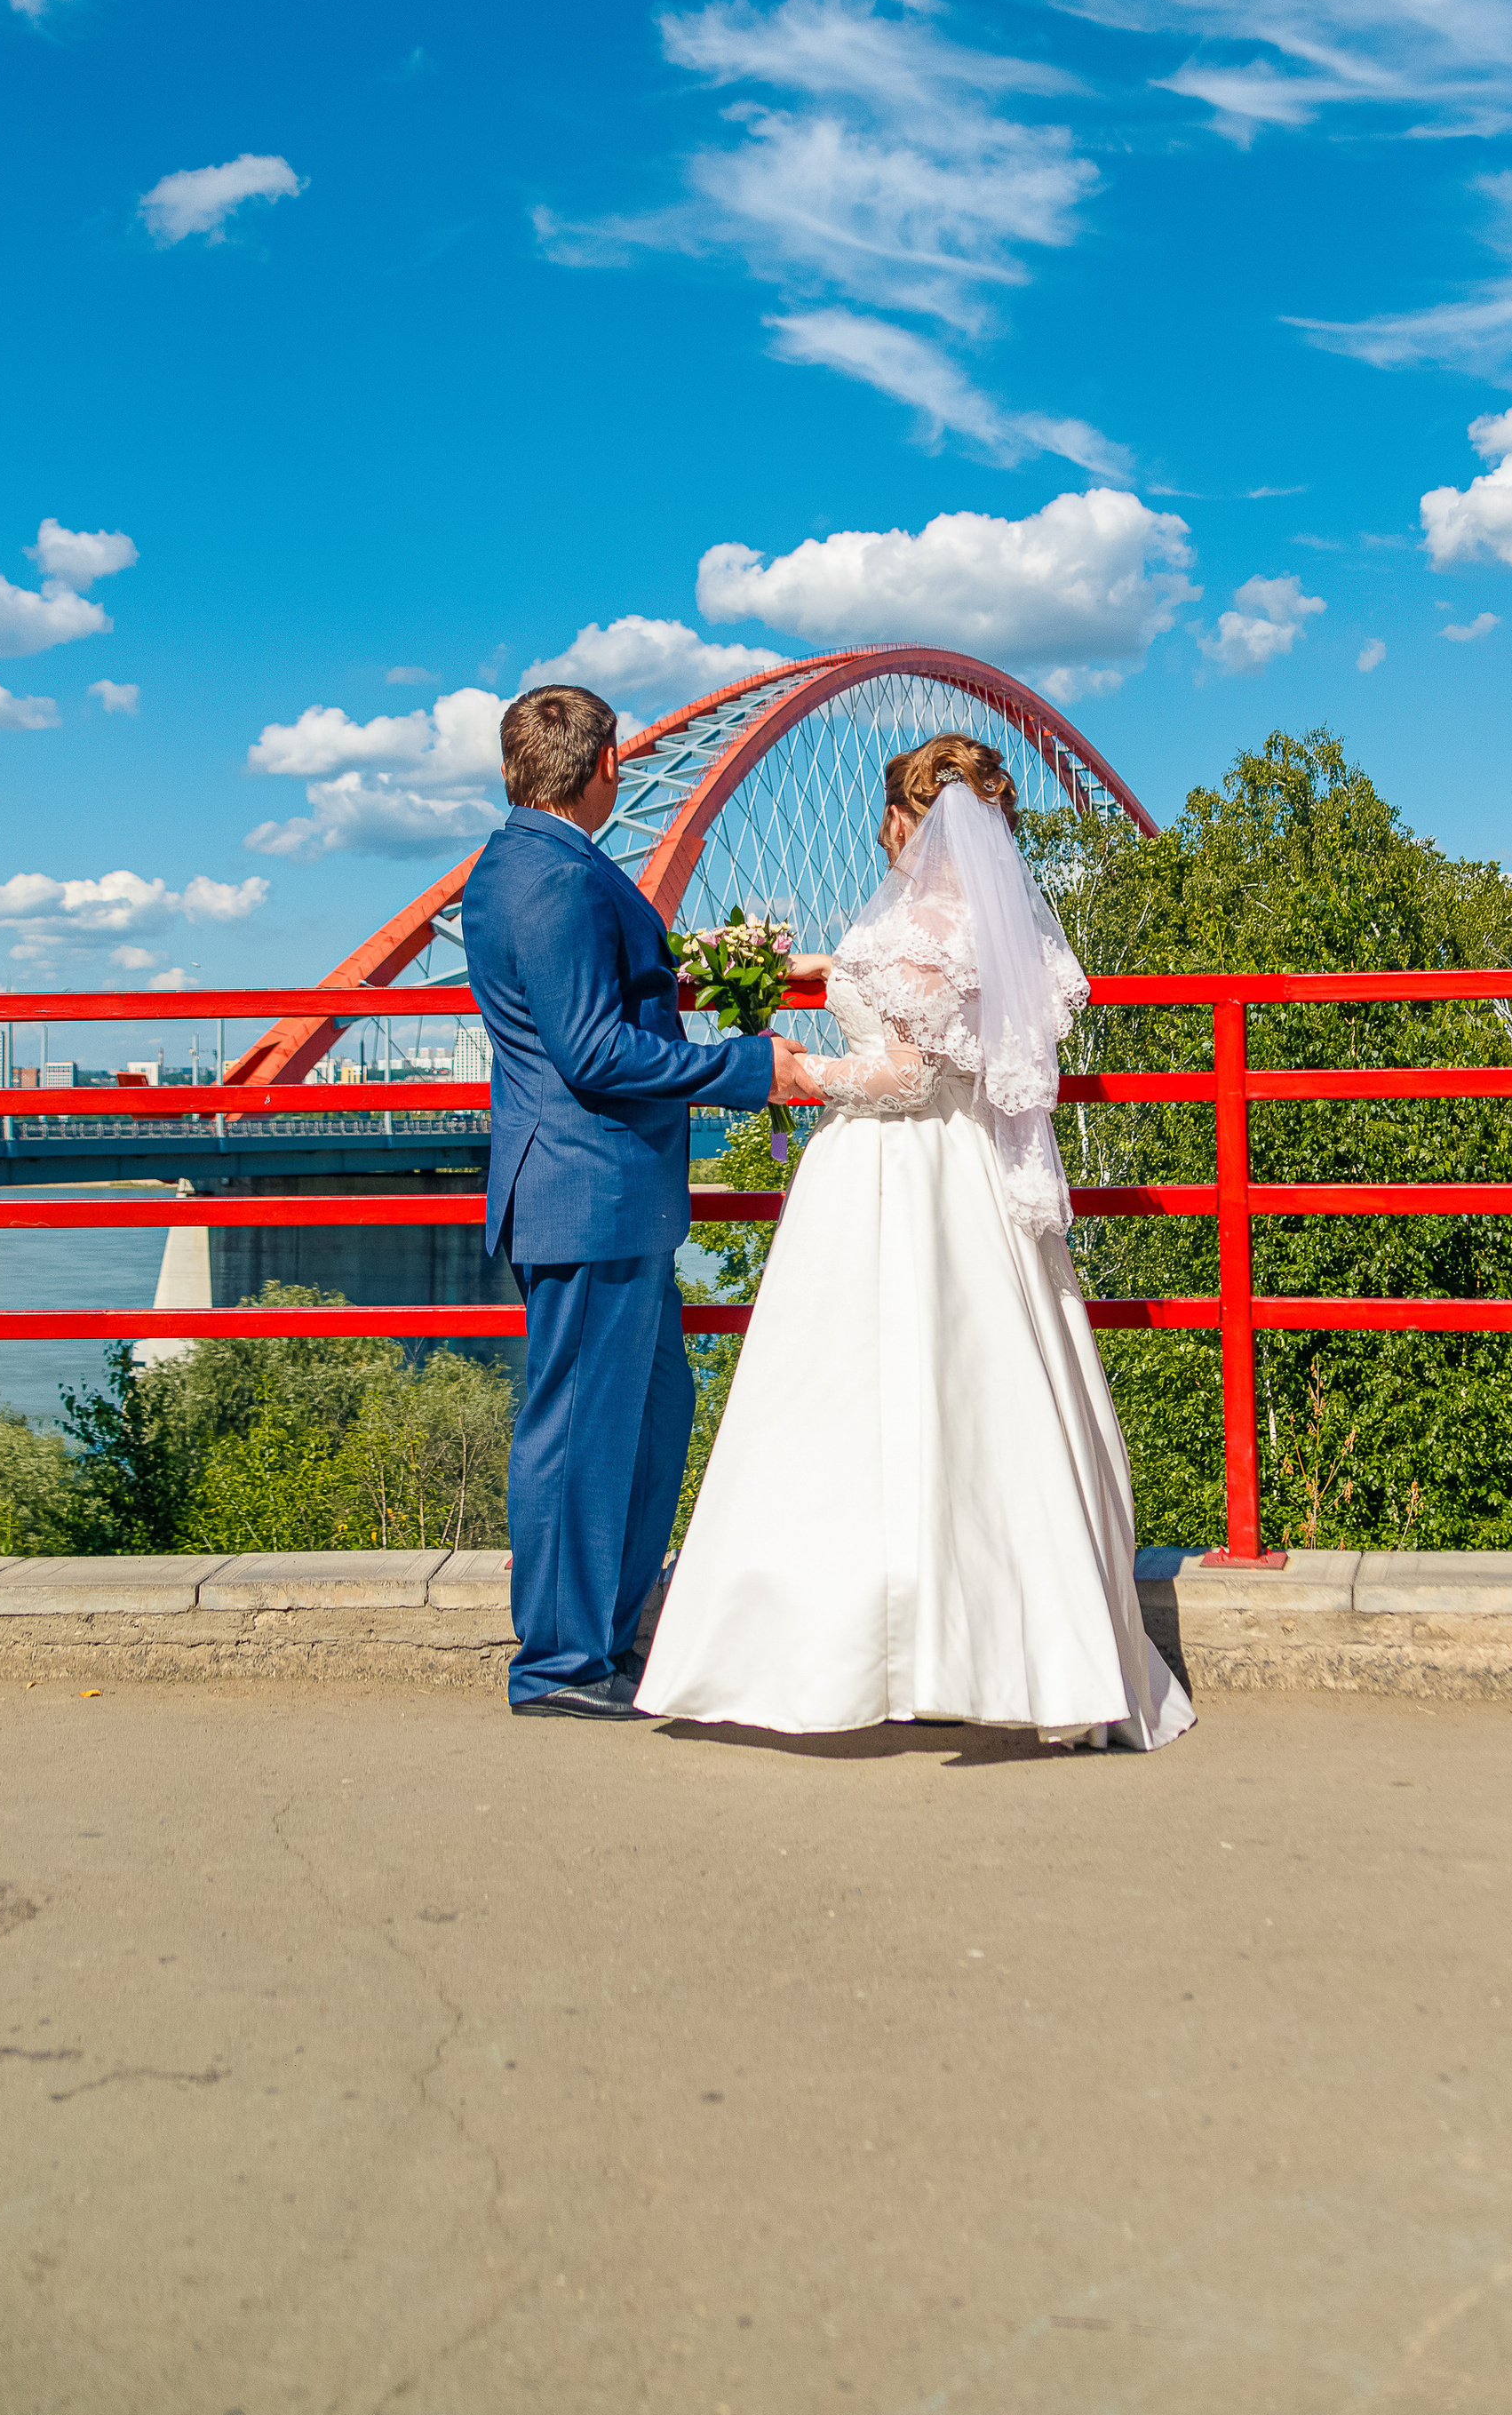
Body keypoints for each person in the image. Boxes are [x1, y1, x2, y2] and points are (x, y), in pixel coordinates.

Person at [635, 732, 1195, 1751]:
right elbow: (960, 1036)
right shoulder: (1008, 928)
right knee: (983, 1398)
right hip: (972, 1175)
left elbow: (901, 1075)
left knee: (845, 1403)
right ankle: (1006, 1649)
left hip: (887, 1174)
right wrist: (811, 964)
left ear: (905, 820)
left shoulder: (906, 929)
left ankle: (840, 1655)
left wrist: (791, 1075)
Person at [462, 684, 815, 1719]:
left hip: (608, 1195)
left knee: (653, 1414)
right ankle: (561, 1666)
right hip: (587, 1188)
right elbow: (590, 1048)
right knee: (578, 1431)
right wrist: (750, 1068)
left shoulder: (531, 862)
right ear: (609, 763)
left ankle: (606, 1640)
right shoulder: (553, 877)